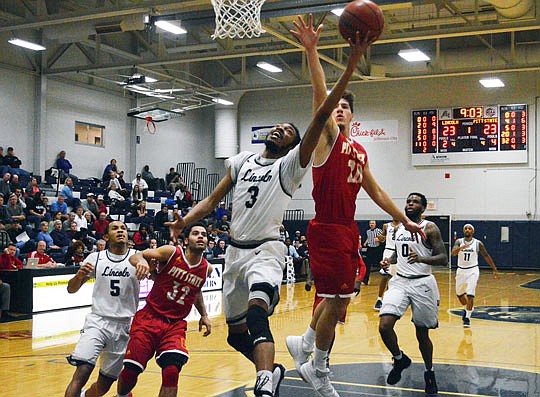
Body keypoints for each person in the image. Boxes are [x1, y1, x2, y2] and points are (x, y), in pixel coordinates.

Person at [169, 34, 364, 397]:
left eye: (288, 131)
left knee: (259, 310)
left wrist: (344, 63)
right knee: (235, 333)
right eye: (278, 127)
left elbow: (322, 113)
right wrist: (185, 220)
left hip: (266, 250)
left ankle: (264, 382)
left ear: (294, 146)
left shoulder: (291, 166)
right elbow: (212, 201)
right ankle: (272, 370)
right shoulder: (241, 161)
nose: (280, 130)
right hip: (233, 252)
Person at [285, 16, 425, 397]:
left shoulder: (358, 150)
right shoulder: (326, 138)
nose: (339, 110)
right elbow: (320, 94)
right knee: (335, 298)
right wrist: (314, 52)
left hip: (349, 229)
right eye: (336, 106)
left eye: (346, 107)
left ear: (353, 116)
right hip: (327, 227)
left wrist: (404, 222)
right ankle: (319, 367)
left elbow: (376, 191)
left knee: (343, 297)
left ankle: (305, 342)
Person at [115, 222, 212, 397]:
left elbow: (195, 290)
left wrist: (204, 314)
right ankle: (121, 395)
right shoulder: (171, 252)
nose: (200, 237)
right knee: (131, 370)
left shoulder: (207, 269)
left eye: (203, 234)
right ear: (187, 239)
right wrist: (142, 262)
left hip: (175, 326)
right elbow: (135, 256)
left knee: (172, 371)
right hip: (149, 318)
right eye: (195, 233)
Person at [64, 220, 148, 397]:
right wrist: (79, 276)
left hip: (125, 326)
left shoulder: (138, 257)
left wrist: (149, 266)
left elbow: (158, 275)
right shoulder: (96, 258)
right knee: (83, 371)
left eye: (123, 228)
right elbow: (71, 289)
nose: (120, 231)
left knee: (103, 387)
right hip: (98, 321)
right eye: (115, 228)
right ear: (105, 236)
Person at [378, 193, 447, 395]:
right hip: (399, 281)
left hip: (422, 283)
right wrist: (389, 260)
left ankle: (429, 372)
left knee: (421, 332)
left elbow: (443, 258)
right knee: (384, 325)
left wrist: (422, 259)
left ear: (423, 208)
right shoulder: (400, 227)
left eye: (415, 202)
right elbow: (399, 253)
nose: (410, 204)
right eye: (408, 201)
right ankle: (400, 360)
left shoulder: (430, 227)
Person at [451, 223, 499, 327]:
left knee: (470, 294)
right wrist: (460, 248)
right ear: (464, 231)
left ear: (473, 231)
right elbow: (453, 254)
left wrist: (494, 269)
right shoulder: (458, 241)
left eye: (469, 229)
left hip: (473, 270)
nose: (467, 230)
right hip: (461, 271)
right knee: (460, 295)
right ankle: (468, 308)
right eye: (466, 229)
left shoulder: (478, 243)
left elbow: (486, 255)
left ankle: (467, 318)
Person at [374, 219, 400, 311]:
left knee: (393, 277)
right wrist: (380, 237)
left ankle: (389, 299)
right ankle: (379, 299)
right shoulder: (386, 225)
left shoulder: (403, 226)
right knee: (385, 275)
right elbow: (382, 238)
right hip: (388, 251)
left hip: (398, 252)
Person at [363, 220, 383, 285]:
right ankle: (365, 280)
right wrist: (365, 242)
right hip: (370, 249)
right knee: (367, 264)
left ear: (375, 224)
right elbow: (368, 238)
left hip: (377, 249)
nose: (371, 224)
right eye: (370, 223)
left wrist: (379, 239)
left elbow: (384, 238)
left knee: (381, 263)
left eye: (373, 223)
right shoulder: (368, 231)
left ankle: (386, 279)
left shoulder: (379, 231)